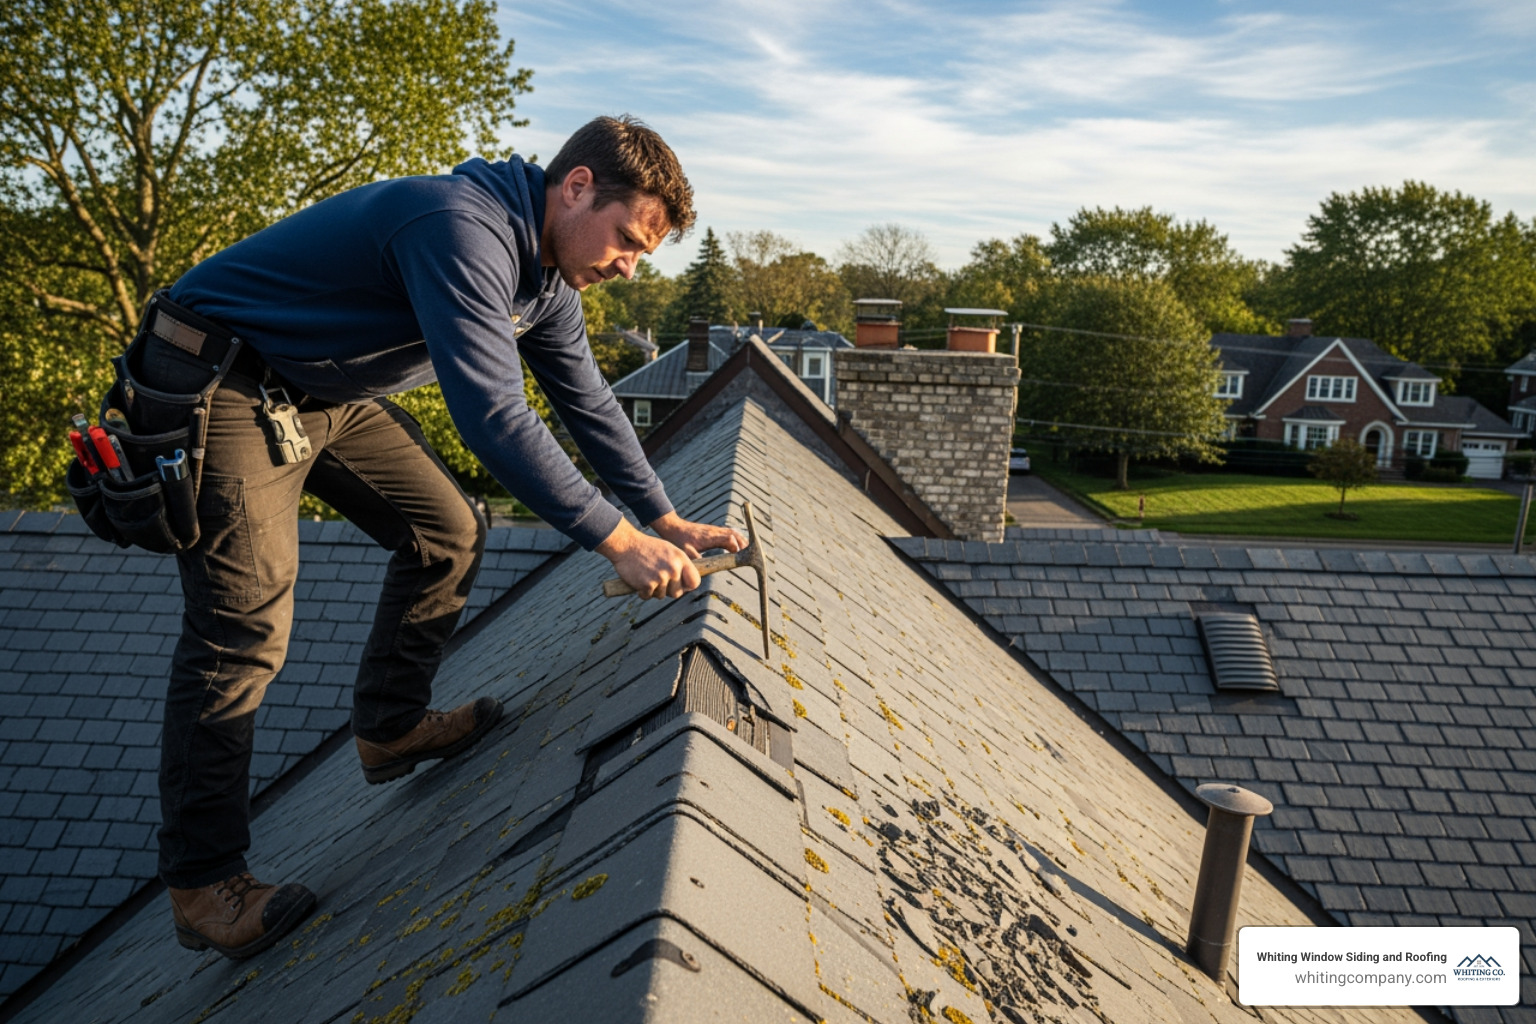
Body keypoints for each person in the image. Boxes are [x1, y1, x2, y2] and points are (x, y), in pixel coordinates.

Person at [127, 115, 742, 960]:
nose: (628, 266)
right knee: (243, 625)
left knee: (447, 528)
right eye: (628, 240)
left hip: (311, 385)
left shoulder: (549, 282)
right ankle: (203, 885)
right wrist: (615, 541)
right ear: (576, 188)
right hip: (218, 377)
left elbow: (589, 403)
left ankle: (391, 727)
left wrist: (662, 514)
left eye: (643, 255)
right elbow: (495, 416)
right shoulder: (459, 227)